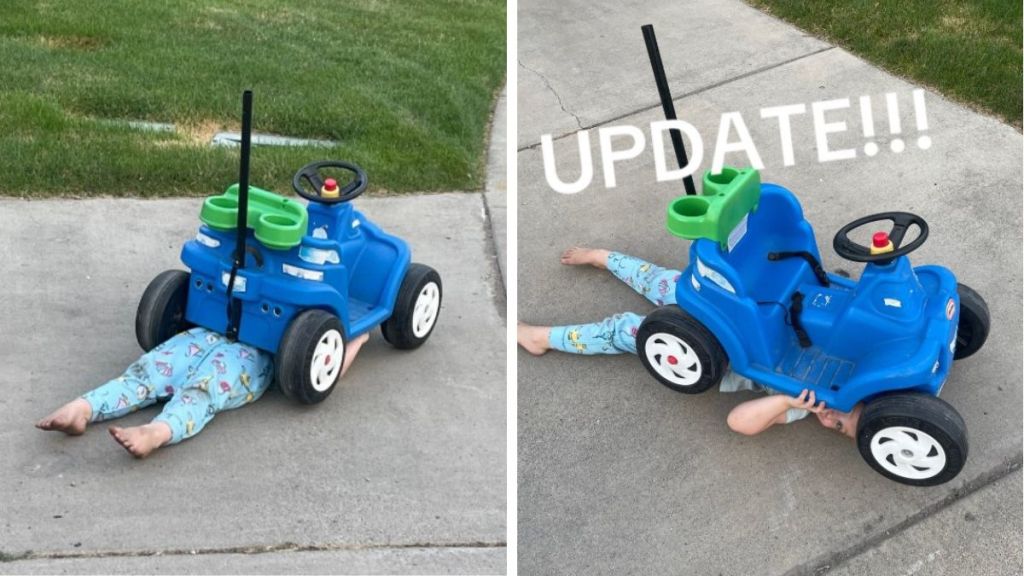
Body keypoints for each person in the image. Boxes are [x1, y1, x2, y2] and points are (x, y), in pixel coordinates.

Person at [517, 247, 862, 438]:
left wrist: (785, 402)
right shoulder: (850, 359)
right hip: (749, 313)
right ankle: (602, 257)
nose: (831, 417)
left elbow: (739, 422)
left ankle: (542, 338)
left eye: (836, 427)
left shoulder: (800, 405)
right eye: (845, 415)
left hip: (715, 354)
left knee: (628, 331)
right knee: (666, 282)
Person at [37, 327, 368, 457]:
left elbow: (326, 368)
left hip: (252, 356)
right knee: (151, 369)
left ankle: (158, 431)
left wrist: (357, 339)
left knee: (202, 391)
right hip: (210, 331)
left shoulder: (318, 323)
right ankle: (84, 408)